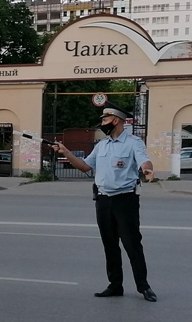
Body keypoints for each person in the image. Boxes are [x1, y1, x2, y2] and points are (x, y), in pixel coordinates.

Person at [52, 106, 157, 303]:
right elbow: (85, 166)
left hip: (125, 201)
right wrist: (65, 151)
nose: (102, 123)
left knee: (132, 245)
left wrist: (147, 170)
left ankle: (144, 287)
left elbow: (144, 160)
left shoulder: (133, 143)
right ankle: (115, 285)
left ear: (115, 120)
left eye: (105, 119)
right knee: (110, 245)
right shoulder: (102, 145)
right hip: (103, 201)